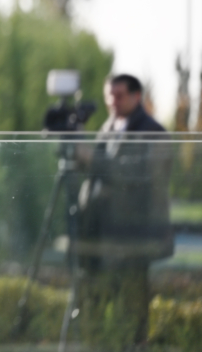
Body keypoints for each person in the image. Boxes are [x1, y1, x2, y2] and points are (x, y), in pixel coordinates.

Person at [74, 73, 172, 347]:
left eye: (118, 95)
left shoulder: (153, 131)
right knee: (101, 303)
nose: (112, 102)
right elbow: (98, 171)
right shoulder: (108, 127)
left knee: (132, 309)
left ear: (136, 96)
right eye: (109, 96)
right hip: (102, 234)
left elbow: (138, 174)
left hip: (134, 236)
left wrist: (91, 158)